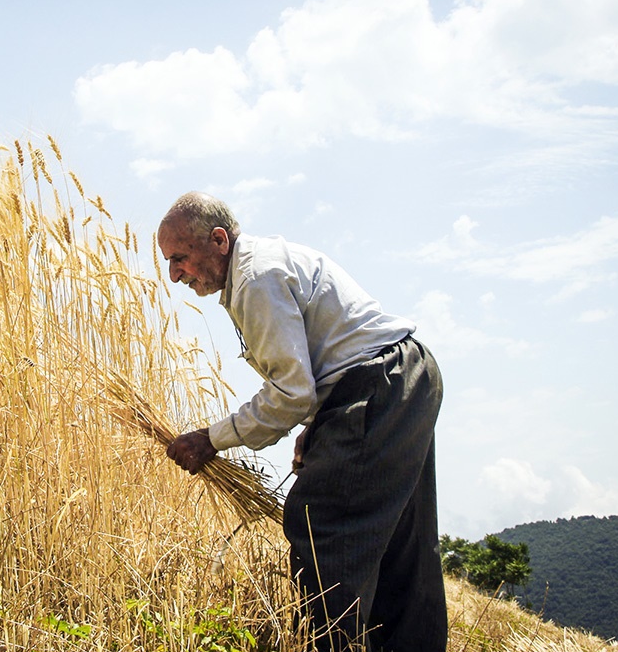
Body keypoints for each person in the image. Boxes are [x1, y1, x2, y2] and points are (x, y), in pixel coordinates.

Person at [158, 191, 447, 652]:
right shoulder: (260, 266)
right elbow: (324, 366)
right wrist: (320, 427)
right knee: (400, 542)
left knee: (322, 525)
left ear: (217, 241)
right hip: (402, 378)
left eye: (179, 258)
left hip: (379, 387)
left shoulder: (255, 279)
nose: (173, 274)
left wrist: (210, 439)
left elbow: (291, 392)